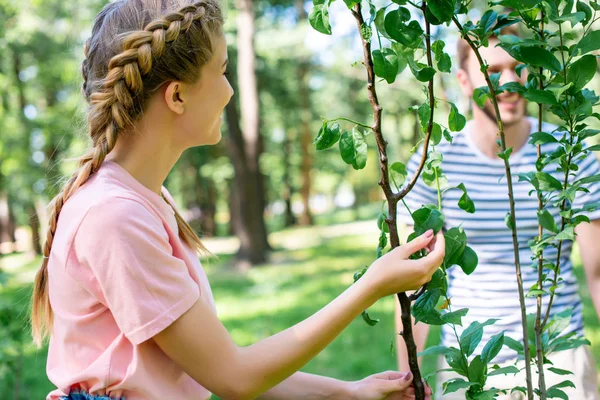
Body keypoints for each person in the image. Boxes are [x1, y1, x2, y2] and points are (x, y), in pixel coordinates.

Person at [29, 1, 445, 399]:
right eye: (222, 71)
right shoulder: (115, 216)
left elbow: (212, 367)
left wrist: (348, 393)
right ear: (177, 96)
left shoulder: (139, 199)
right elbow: (235, 377)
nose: (229, 91)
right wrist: (373, 285)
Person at [395, 27, 600, 399]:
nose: (510, 82)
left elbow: (599, 273)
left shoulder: (571, 156)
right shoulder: (436, 165)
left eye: (519, 68)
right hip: (470, 361)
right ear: (463, 79)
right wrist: (405, 376)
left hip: (559, 355)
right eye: (492, 71)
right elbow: (413, 282)